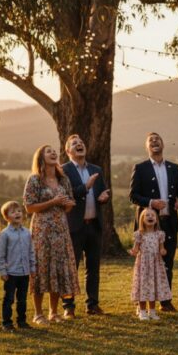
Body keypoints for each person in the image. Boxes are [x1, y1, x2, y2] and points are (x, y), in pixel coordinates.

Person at [129, 132, 178, 312]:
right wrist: (151, 203)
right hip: (148, 226)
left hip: (170, 222)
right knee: (146, 265)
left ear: (163, 144)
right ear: (147, 147)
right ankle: (143, 301)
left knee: (167, 262)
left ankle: (165, 301)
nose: (154, 141)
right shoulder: (140, 168)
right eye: (151, 140)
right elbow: (133, 196)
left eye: (157, 139)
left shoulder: (174, 168)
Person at [23, 144, 80, 325]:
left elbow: (69, 204)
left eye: (54, 151)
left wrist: (67, 204)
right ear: (41, 157)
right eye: (49, 151)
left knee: (58, 268)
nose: (54, 153)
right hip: (42, 230)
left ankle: (53, 313)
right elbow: (29, 207)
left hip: (61, 229)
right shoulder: (34, 180)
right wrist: (53, 201)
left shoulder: (63, 179)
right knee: (41, 268)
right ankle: (38, 314)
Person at [61, 134, 110, 318]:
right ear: (68, 151)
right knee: (71, 268)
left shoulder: (96, 169)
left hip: (94, 225)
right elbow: (65, 195)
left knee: (93, 268)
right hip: (74, 227)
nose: (79, 145)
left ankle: (92, 305)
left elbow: (102, 191)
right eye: (74, 143)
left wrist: (104, 198)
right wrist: (86, 187)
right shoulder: (63, 170)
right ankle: (68, 306)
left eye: (81, 142)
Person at [0, 201, 36, 331]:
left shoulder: (27, 233)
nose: (17, 213)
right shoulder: (5, 234)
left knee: (22, 299)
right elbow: (0, 256)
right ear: (6, 217)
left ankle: (22, 321)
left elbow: (31, 251)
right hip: (11, 273)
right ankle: (7, 323)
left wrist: (32, 268)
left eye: (19, 211)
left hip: (24, 272)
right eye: (13, 212)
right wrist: (2, 271)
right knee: (9, 299)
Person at [130, 208, 172, 321]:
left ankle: (152, 311)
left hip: (155, 265)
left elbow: (162, 248)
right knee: (143, 287)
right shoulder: (139, 234)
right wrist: (133, 252)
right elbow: (136, 248)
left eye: (152, 215)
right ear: (142, 220)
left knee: (153, 286)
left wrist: (163, 251)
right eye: (147, 215)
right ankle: (142, 312)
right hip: (143, 265)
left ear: (156, 219)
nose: (150, 217)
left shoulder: (159, 234)